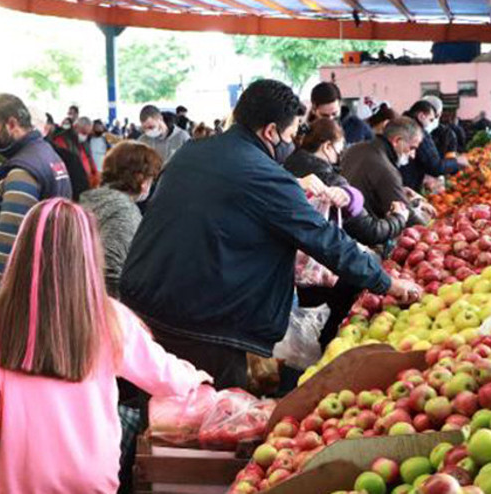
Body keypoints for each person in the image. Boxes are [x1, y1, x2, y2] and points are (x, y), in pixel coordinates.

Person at [120, 80, 420, 389]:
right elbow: (325, 240)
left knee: (158, 404)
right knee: (210, 410)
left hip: (145, 306)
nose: (292, 144)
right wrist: (386, 283)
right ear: (271, 132)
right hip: (204, 324)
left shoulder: (189, 153)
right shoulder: (265, 176)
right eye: (290, 135)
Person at [0, 198, 210, 493]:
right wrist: (196, 378)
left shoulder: (0, 321)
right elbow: (162, 374)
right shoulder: (110, 317)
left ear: (22, 250)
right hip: (92, 475)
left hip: (21, 477)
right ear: (89, 254)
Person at [285, 118, 409, 347]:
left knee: (296, 334)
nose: (340, 157)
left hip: (285, 274)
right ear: (327, 146)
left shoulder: (283, 167)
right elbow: (369, 231)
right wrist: (398, 219)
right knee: (323, 335)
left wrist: (352, 195)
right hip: (320, 276)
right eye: (339, 150)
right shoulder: (328, 180)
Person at [0, 93, 73, 307]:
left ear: (12, 124)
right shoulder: (48, 155)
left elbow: (9, 240)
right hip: (48, 277)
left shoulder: (23, 171)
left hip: (23, 290)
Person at [80, 142, 162, 297]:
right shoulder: (124, 211)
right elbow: (112, 271)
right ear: (140, 178)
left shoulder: (91, 199)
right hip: (103, 301)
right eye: (150, 179)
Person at [342, 116, 434, 227]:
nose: (413, 155)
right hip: (365, 229)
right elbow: (407, 215)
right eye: (412, 148)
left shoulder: (355, 148)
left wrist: (400, 191)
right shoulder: (386, 168)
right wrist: (429, 227)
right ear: (397, 141)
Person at [401, 100, 466, 192]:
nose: (431, 123)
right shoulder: (417, 132)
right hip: (407, 184)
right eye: (431, 120)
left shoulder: (402, 125)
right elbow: (435, 166)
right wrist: (456, 162)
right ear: (421, 116)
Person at [53, 116, 99, 188]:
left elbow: (90, 159)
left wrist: (95, 177)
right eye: (83, 133)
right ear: (75, 127)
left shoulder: (84, 143)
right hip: (73, 183)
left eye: (87, 134)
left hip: (87, 182)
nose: (85, 136)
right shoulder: (62, 140)